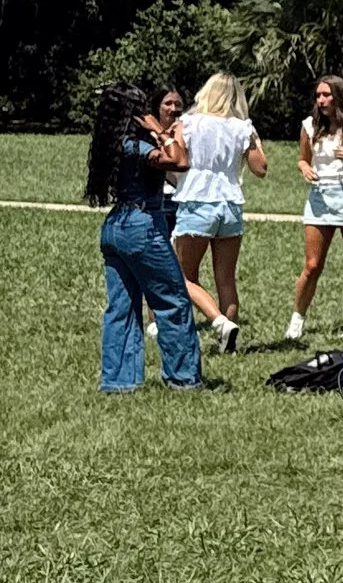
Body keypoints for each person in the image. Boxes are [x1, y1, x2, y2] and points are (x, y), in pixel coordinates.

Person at [86, 81, 202, 392]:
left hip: (115, 227)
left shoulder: (112, 143)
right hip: (142, 227)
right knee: (173, 299)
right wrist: (165, 134)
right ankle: (183, 378)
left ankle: (118, 381)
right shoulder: (137, 147)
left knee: (121, 307)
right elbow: (181, 162)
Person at [170, 73, 268, 349]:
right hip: (231, 204)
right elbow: (260, 169)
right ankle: (229, 339)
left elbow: (178, 160)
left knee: (182, 275)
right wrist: (253, 139)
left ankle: (218, 322)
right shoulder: (241, 128)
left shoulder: (188, 123)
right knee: (225, 277)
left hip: (197, 201)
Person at [287, 76, 343, 340]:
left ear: (340, 96)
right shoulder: (310, 126)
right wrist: (305, 168)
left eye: (326, 95)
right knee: (312, 264)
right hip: (320, 199)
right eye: (318, 95)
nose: (321, 100)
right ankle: (298, 318)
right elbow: (303, 160)